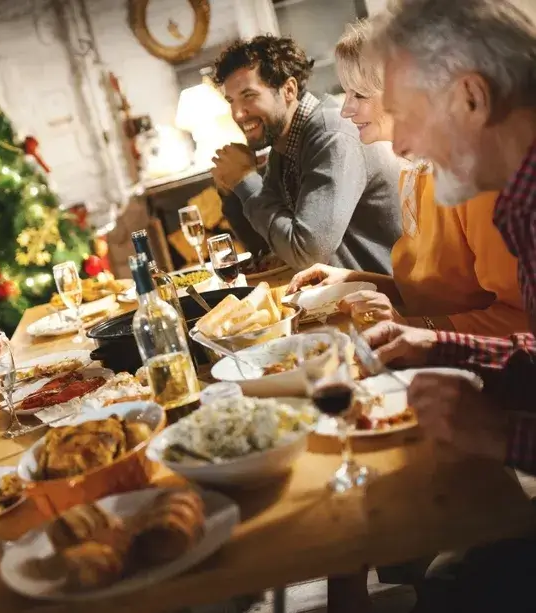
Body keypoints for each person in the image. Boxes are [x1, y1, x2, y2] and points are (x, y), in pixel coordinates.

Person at [358, 1, 536, 611]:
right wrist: (443, 343)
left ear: (471, 100)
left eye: (405, 117)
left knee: (451, 581)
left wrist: (501, 433)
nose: (400, 143)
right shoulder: (518, 201)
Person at [286, 19, 527, 338]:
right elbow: (431, 292)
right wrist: (350, 279)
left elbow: (522, 320)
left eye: (359, 94)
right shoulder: (415, 170)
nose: (345, 110)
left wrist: (413, 328)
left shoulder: (479, 183)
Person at [210, 35, 403, 274]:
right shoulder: (282, 151)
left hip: (397, 303)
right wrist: (232, 190)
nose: (238, 114)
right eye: (231, 101)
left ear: (289, 89)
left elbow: (307, 253)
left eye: (249, 95)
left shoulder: (331, 135)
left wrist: (245, 180)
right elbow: (267, 249)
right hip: (353, 298)